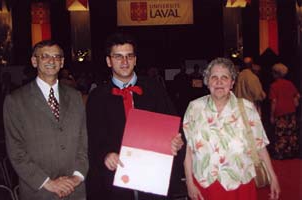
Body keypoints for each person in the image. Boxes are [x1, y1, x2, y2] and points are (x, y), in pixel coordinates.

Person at [86, 32, 184, 200]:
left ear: (135, 59)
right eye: (118, 57)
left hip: (153, 174)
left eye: (129, 56)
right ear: (109, 61)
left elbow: (174, 126)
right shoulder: (97, 96)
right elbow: (91, 136)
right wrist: (105, 154)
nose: (125, 62)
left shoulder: (155, 89)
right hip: (116, 177)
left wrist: (178, 140)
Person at [183, 57, 280, 200]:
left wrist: (273, 177)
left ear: (232, 82)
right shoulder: (194, 108)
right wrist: (189, 183)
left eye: (225, 77)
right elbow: (188, 150)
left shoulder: (247, 108)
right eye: (214, 77)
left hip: (240, 183)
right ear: (207, 82)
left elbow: (259, 146)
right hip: (205, 183)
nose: (219, 82)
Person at [3, 40, 88, 200]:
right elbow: (16, 151)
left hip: (75, 190)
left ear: (62, 62)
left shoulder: (76, 97)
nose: (51, 61)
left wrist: (77, 176)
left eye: (56, 57)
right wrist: (48, 183)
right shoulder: (16, 100)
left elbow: (84, 143)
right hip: (39, 191)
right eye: (45, 57)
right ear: (34, 61)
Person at [269, 63, 300, 159]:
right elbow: (298, 95)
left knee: (280, 133)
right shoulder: (289, 84)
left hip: (280, 112)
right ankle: (291, 152)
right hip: (291, 111)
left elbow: (274, 101)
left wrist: (272, 115)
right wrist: (295, 102)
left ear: (275, 74)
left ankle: (280, 153)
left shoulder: (274, 85)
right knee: (291, 132)